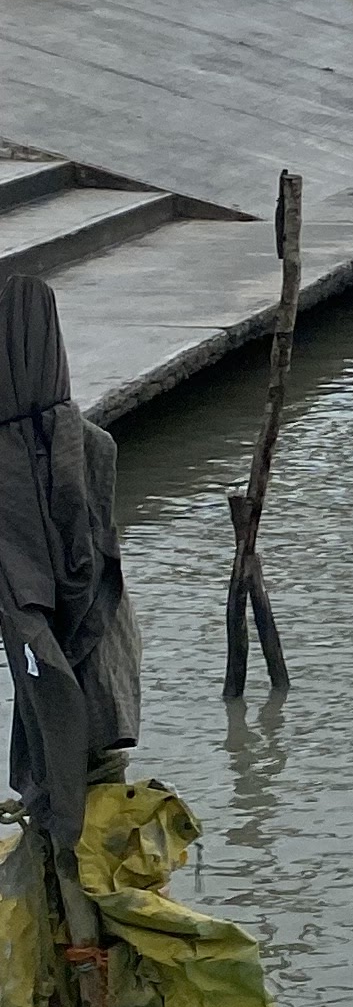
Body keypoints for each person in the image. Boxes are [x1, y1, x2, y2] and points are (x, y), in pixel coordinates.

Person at [0, 272, 142, 853]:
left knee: (76, 843)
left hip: (65, 683)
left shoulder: (11, 466)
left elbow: (30, 616)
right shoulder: (90, 442)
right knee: (103, 805)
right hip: (111, 662)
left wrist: (59, 807)